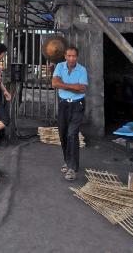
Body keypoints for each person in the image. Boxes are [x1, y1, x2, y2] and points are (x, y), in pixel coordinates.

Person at [52, 46, 88, 181]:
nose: (71, 58)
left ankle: (72, 168)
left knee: (72, 134)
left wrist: (63, 84)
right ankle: (67, 161)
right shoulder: (60, 66)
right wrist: (73, 86)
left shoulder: (82, 70)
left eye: (74, 56)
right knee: (63, 134)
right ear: (65, 57)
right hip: (63, 104)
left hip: (77, 105)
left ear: (77, 57)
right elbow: (54, 83)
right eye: (69, 56)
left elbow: (82, 89)